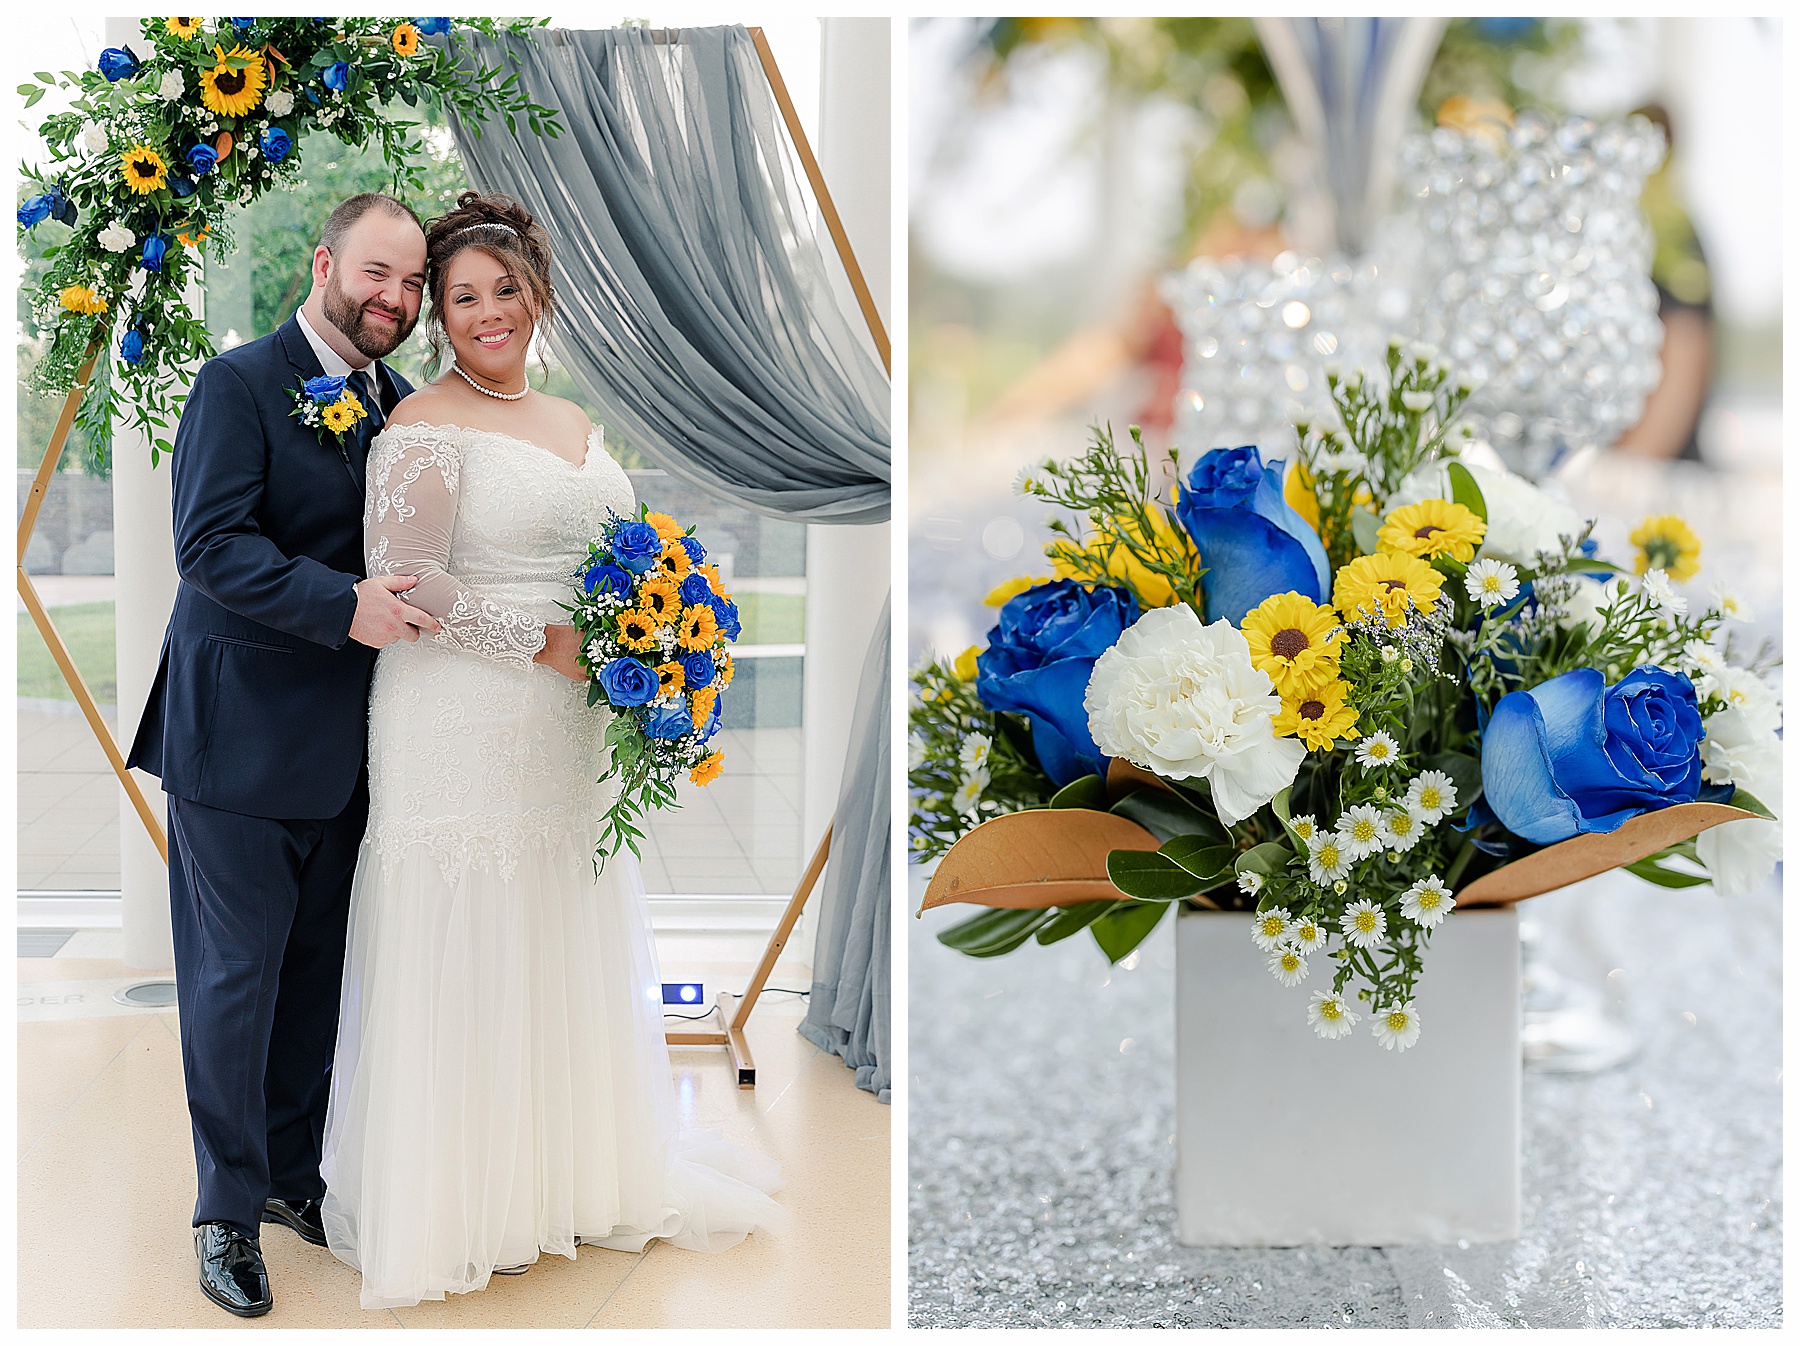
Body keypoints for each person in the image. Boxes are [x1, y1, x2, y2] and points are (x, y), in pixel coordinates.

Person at [318, 191, 782, 1309]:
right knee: (471, 912)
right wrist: (551, 643)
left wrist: (663, 632)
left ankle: (562, 1179)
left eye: (504, 291)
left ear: (539, 296)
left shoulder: (575, 422)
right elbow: (411, 583)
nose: (487, 313)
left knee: (553, 910)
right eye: (461, 296)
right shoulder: (421, 423)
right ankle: (465, 1197)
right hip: (458, 710)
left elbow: (622, 552)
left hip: (567, 721)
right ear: (438, 313)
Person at [126, 193, 439, 1318]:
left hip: (353, 751)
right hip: (237, 743)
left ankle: (293, 1180)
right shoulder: (238, 382)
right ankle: (221, 1210)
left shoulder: (400, 407)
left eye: (409, 284)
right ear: (325, 263)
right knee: (231, 981)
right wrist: (342, 604)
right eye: (376, 272)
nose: (392, 298)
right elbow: (210, 545)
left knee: (314, 978)